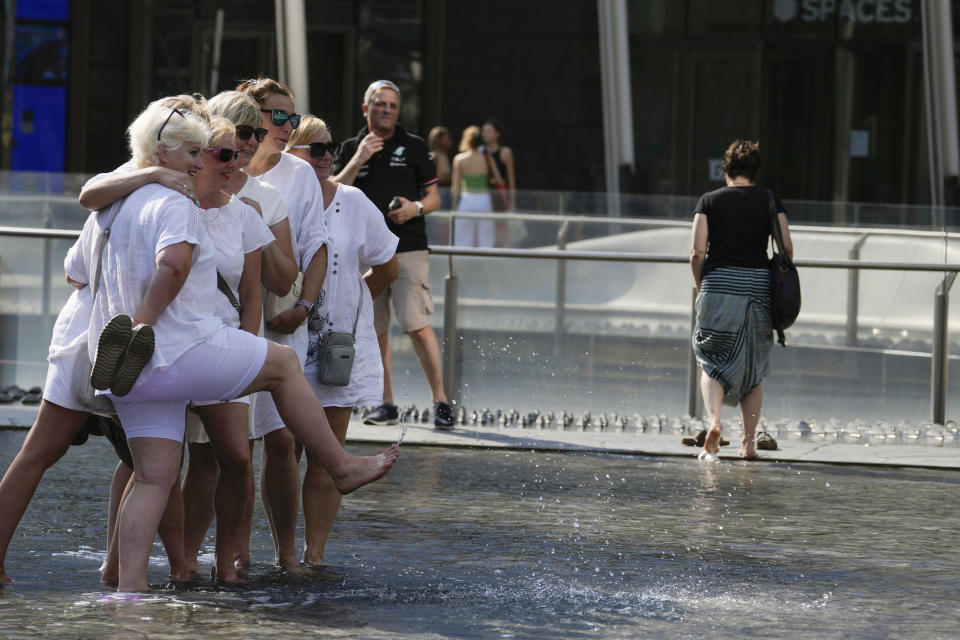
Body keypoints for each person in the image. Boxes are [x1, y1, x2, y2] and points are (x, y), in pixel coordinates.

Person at [70, 98, 398, 592]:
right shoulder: (177, 205)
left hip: (125, 369)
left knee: (155, 476)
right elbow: (174, 267)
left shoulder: (119, 201)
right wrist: (144, 321)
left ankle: (126, 594)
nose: (215, 161)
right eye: (203, 152)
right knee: (285, 363)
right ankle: (341, 465)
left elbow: (78, 266)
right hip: (176, 349)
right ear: (173, 154)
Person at [0, 95, 207, 586]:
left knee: (40, 454)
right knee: (157, 463)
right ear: (162, 152)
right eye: (193, 152)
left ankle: (141, 567)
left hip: (79, 340)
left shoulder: (115, 197)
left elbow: (74, 272)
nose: (199, 162)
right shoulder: (161, 197)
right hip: (119, 344)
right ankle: (177, 568)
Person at [287, 115, 399, 565]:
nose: (328, 155)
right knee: (281, 451)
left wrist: (353, 302)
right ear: (290, 154)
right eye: (316, 148)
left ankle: (313, 554)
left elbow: (388, 264)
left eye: (330, 147)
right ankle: (283, 553)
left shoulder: (353, 201)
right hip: (286, 339)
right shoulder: (276, 200)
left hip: (335, 345)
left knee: (325, 452)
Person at [236, 77, 336, 573]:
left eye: (293, 119)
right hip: (233, 320)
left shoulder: (299, 174)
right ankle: (236, 555)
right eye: (279, 117)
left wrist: (306, 306)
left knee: (282, 441)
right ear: (250, 120)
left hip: (284, 319)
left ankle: (287, 555)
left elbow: (318, 246)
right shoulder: (222, 163)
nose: (287, 127)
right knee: (235, 446)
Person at [177, 116, 275, 584]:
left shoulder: (245, 214)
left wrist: (247, 351)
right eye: (223, 153)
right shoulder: (175, 206)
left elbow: (253, 293)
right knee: (154, 460)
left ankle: (220, 561)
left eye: (236, 154)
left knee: (231, 457)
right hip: (176, 345)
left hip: (226, 349)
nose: (233, 161)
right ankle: (169, 560)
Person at [333, 79, 454, 430]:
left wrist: (414, 207)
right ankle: (385, 404)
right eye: (379, 103)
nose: (386, 110)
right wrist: (360, 157)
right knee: (375, 330)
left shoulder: (414, 146)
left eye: (392, 105)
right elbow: (336, 191)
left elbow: (434, 198)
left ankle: (441, 401)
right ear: (365, 107)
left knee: (416, 324)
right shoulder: (352, 146)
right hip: (363, 253)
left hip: (407, 248)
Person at [689, 139, 793, 461]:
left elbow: (696, 252)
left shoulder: (708, 201)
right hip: (758, 289)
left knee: (712, 360)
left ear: (726, 170)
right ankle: (748, 444)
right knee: (754, 368)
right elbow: (787, 248)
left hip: (718, 284)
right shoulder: (769, 199)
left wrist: (701, 286)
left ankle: (714, 421)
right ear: (756, 172)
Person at [450, 125, 495, 248]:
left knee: (462, 236)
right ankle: (485, 262)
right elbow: (498, 178)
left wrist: (454, 206)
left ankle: (462, 263)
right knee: (486, 236)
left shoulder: (459, 159)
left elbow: (456, 186)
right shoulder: (486, 158)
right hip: (484, 199)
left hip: (466, 199)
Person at [481, 118, 516, 212]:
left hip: (501, 195)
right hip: (483, 195)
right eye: (483, 131)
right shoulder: (479, 152)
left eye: (488, 131)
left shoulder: (505, 152)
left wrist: (512, 204)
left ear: (497, 134)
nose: (485, 134)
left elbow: (511, 180)